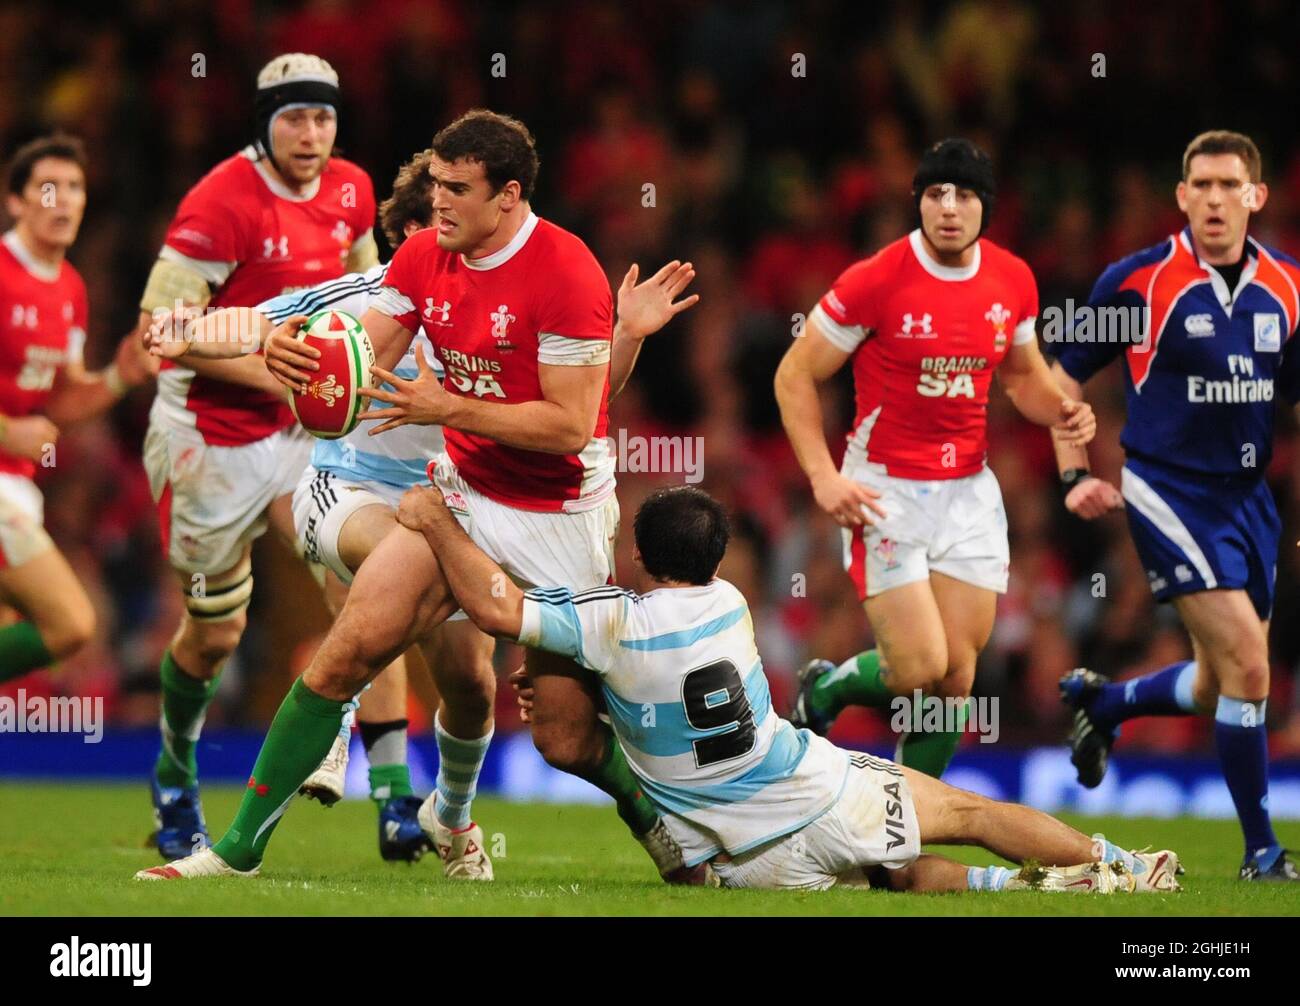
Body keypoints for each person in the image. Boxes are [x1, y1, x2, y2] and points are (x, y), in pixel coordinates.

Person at [136, 109, 703, 884]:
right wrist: (300, 358)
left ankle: (650, 823)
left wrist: (453, 408)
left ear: (507, 196)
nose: (437, 202)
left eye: (456, 188)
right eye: (434, 183)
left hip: (559, 516)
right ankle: (235, 850)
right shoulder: (421, 259)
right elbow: (365, 358)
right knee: (348, 649)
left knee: (564, 736)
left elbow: (574, 423)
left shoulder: (566, 271)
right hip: (457, 499)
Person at [395, 483, 1182, 895]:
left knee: (898, 878)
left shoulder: (611, 629)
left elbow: (498, 606)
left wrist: (436, 521)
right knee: (969, 813)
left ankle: (1026, 890)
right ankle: (1120, 862)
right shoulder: (732, 606)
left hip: (747, 863)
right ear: (719, 560)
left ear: (639, 559)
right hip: (821, 794)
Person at [776, 139, 1094, 777]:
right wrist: (822, 475)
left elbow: (1021, 377)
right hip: (885, 493)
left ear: (986, 207)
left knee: (955, 681)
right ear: (919, 201)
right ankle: (830, 688)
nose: (949, 207)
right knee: (918, 667)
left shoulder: (1013, 279)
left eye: (965, 194)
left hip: (969, 493)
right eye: (935, 193)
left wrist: (1062, 406)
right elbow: (795, 374)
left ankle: (912, 814)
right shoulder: (874, 280)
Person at [136, 53, 378, 860]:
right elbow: (159, 331)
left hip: (301, 435)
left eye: (324, 117)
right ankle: (174, 770)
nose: (311, 135)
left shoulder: (352, 190)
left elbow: (374, 292)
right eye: (293, 118)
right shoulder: (221, 204)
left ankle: (370, 767)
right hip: (210, 440)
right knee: (215, 633)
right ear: (263, 123)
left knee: (365, 575)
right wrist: (275, 372)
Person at [1048, 130, 1299, 882]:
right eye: (1201, 184)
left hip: (1251, 500)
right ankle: (1262, 853)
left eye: (1230, 185)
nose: (1215, 198)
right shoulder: (1139, 284)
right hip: (1166, 490)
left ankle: (1108, 704)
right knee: (1252, 670)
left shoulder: (1289, 287)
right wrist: (1071, 474)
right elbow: (1062, 377)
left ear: (1256, 196)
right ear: (1182, 196)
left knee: (1219, 681)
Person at [0, 133, 153, 681]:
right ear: (15, 201)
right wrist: (6, 432)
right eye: (46, 188)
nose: (62, 200)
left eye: (73, 188)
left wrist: (120, 375)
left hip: (18, 483)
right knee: (68, 623)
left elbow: (62, 400)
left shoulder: (69, 289)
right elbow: (20, 428)